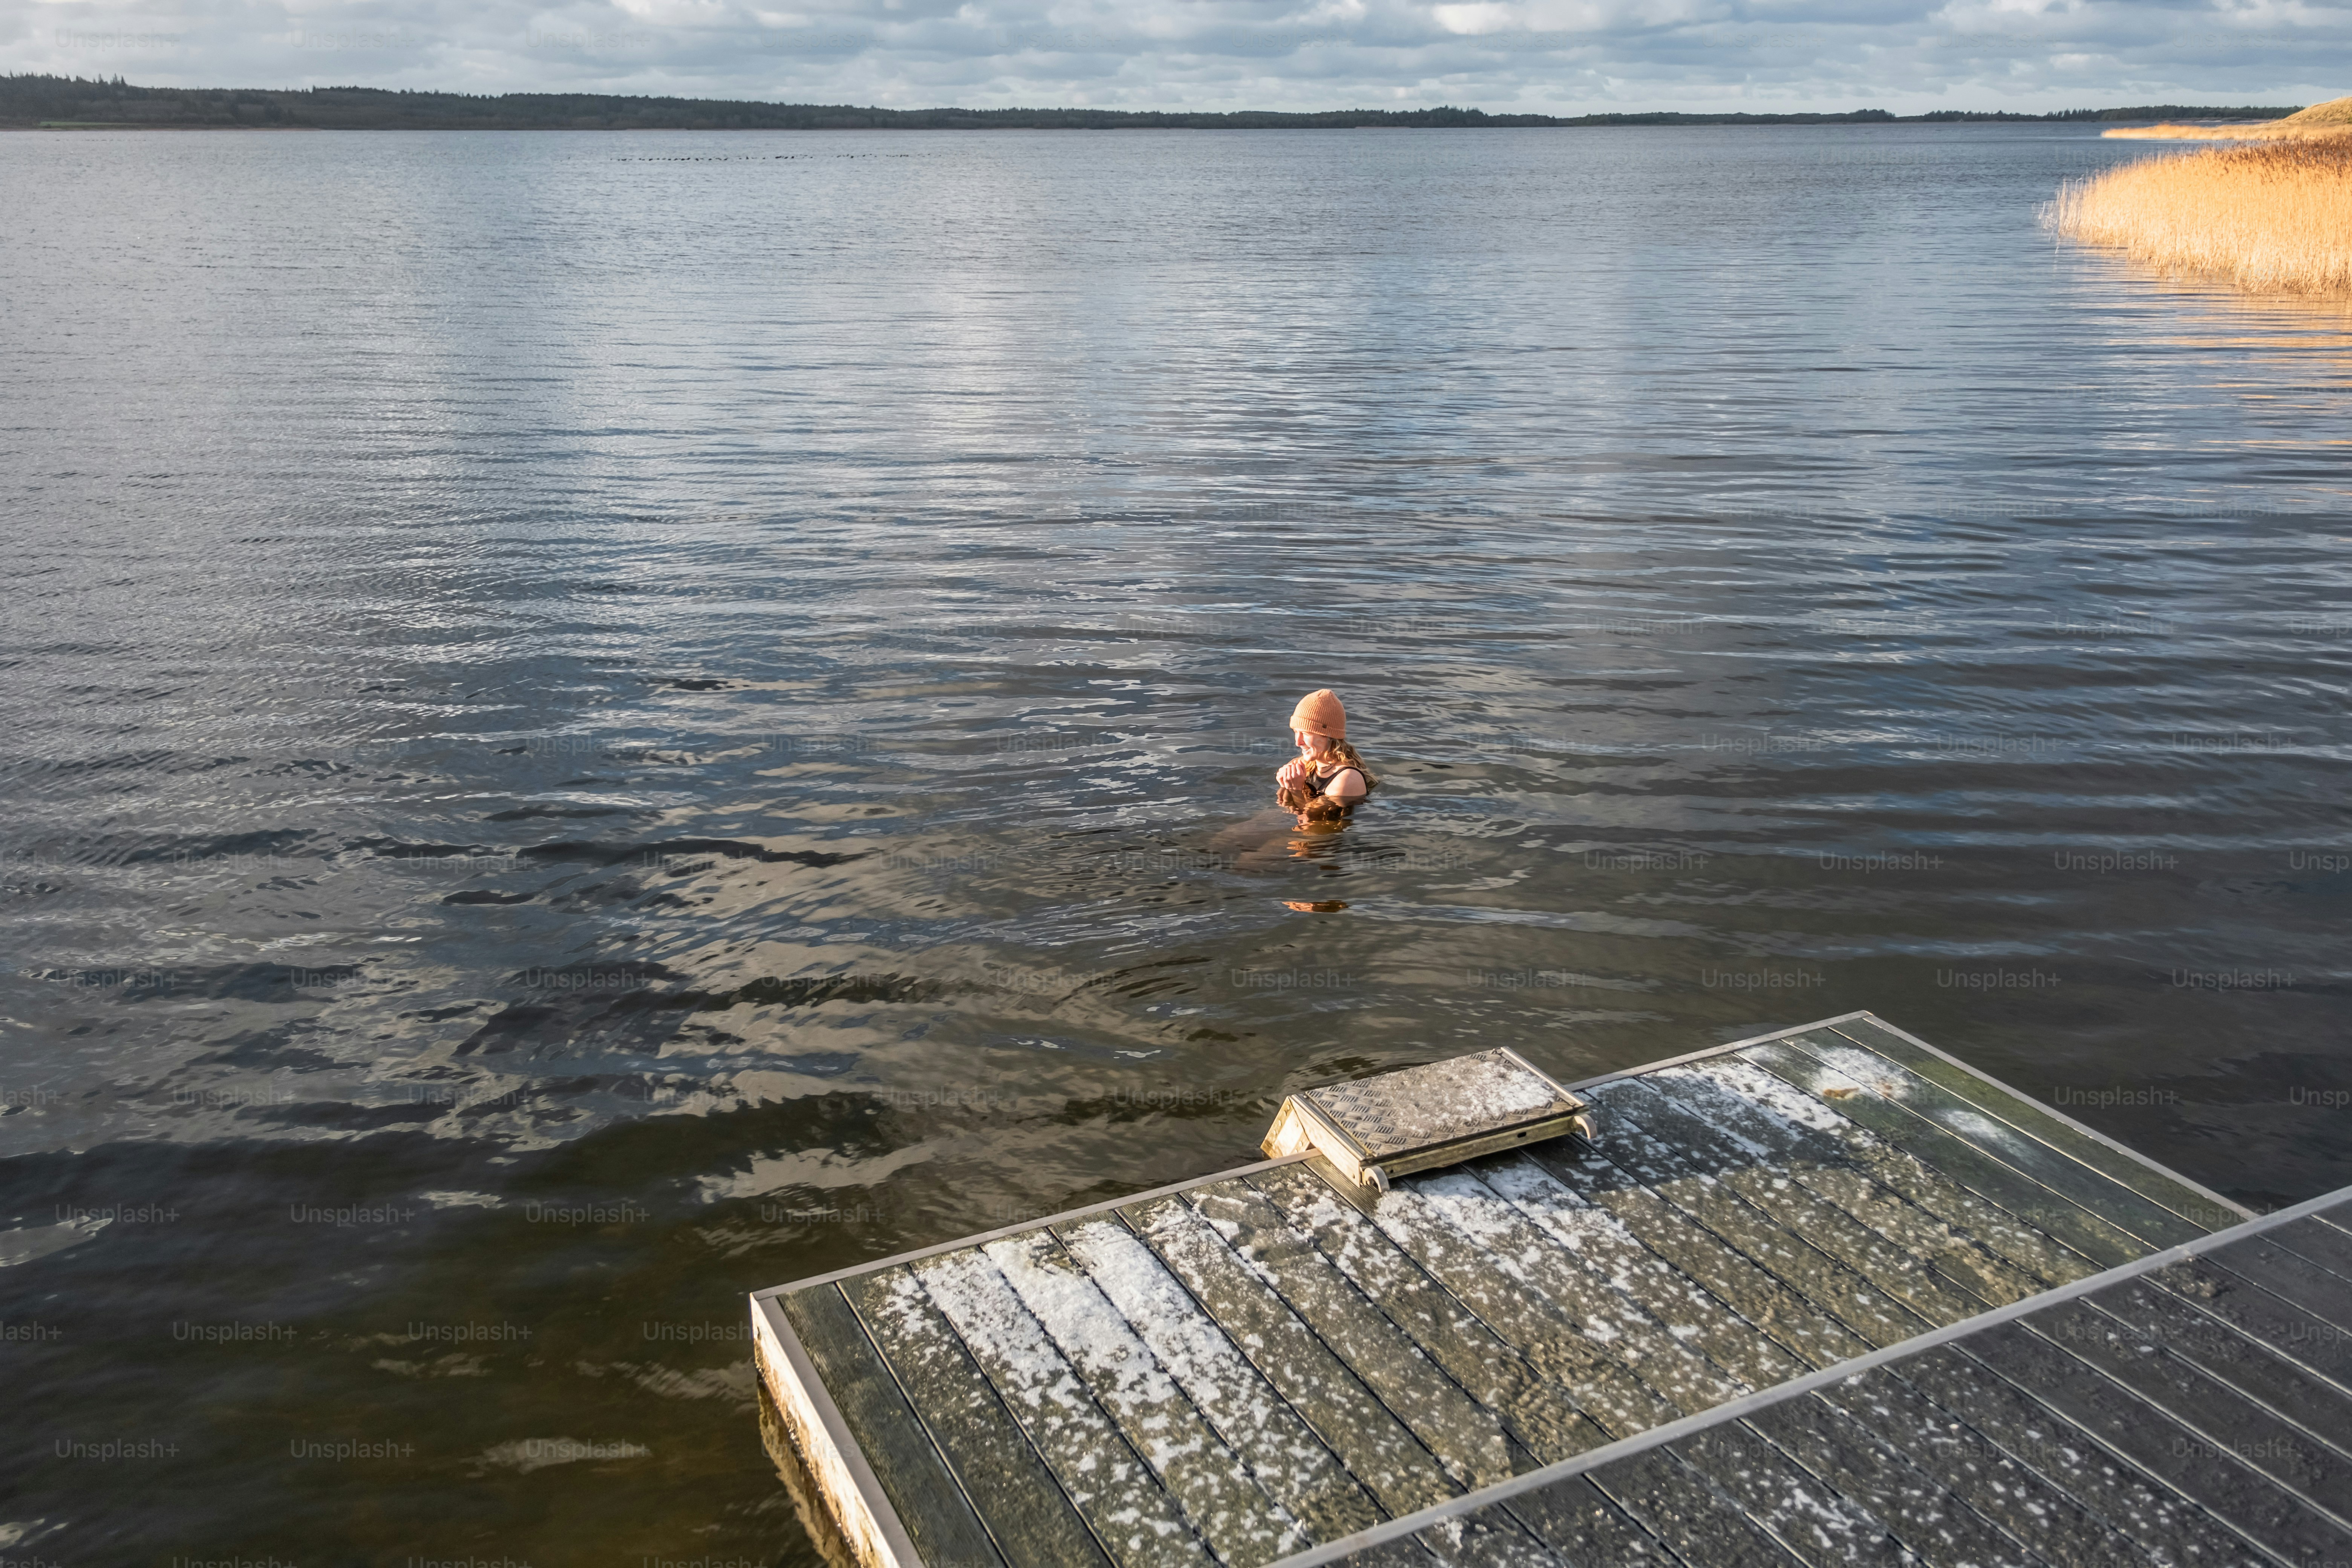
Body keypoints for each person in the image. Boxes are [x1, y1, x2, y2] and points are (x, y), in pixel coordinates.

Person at [1274, 689, 1376, 823]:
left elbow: (1313, 823)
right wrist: (1285, 786)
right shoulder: (1305, 765)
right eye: (1295, 732)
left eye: (1305, 733)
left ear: (1329, 736)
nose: (1298, 742)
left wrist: (1296, 791)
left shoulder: (1347, 779)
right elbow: (1284, 809)